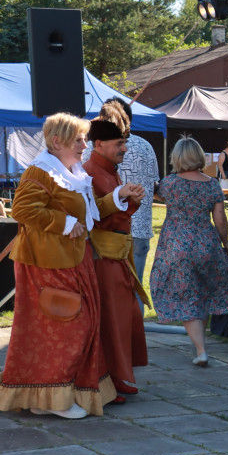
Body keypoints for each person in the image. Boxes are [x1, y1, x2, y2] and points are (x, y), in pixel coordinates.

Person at [0, 112, 133, 419]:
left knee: (78, 326)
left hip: (72, 259)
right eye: (79, 139)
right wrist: (66, 223)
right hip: (46, 264)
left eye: (84, 139)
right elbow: (23, 209)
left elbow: (89, 217)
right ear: (57, 142)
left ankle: (56, 396)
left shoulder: (72, 170)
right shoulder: (40, 171)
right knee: (67, 328)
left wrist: (117, 197)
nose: (85, 145)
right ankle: (48, 400)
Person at [150, 137, 228, 367]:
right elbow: (220, 218)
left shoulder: (170, 183)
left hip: (176, 245)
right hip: (206, 244)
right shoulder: (211, 184)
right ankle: (201, 345)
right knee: (201, 293)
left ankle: (201, 350)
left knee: (186, 297)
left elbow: (156, 194)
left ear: (177, 157)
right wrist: (226, 242)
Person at [83, 105, 149, 397]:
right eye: (119, 143)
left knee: (123, 320)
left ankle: (119, 380)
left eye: (124, 142)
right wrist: (118, 197)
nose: (124, 148)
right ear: (99, 144)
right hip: (102, 258)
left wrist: (127, 198)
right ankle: (109, 382)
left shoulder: (109, 170)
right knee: (111, 322)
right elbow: (89, 217)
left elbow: (117, 213)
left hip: (118, 256)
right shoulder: (89, 171)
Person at [104, 97, 160, 313]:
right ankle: (134, 334)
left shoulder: (96, 147)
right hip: (140, 228)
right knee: (135, 286)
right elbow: (154, 184)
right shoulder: (145, 146)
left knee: (109, 289)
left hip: (109, 228)